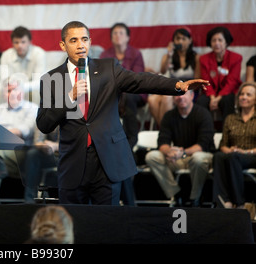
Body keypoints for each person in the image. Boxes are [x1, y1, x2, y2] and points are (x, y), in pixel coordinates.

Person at [36, 21, 210, 205]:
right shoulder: (50, 80)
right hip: (73, 164)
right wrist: (69, 97)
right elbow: (44, 123)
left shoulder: (108, 68)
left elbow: (141, 80)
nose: (80, 45)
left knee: (109, 224)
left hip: (107, 162)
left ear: (89, 41)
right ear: (63, 45)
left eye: (84, 39)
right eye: (74, 40)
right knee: (74, 226)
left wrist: (177, 85)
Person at [99, 22, 146, 205]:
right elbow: (102, 79)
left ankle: (130, 139)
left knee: (130, 95)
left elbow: (137, 79)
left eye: (121, 33)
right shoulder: (105, 55)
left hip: (132, 94)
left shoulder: (136, 54)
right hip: (114, 94)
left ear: (127, 36)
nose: (118, 36)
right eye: (115, 33)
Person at [145, 90, 215, 207]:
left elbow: (203, 145)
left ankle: (195, 198)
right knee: (152, 157)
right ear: (173, 98)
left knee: (198, 158)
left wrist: (181, 152)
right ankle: (176, 194)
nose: (180, 97)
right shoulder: (169, 116)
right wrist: (170, 152)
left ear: (192, 96)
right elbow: (162, 142)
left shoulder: (203, 114)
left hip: (201, 157)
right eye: (177, 95)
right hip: (177, 158)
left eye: (184, 94)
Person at [0, 78, 38, 203]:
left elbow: (24, 131)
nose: (11, 93)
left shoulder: (32, 108)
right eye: (8, 91)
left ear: (22, 92)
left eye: (14, 90)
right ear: (3, 94)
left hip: (23, 155)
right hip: (3, 159)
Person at [213, 82, 256, 209]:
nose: (244, 97)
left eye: (248, 95)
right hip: (234, 155)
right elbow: (223, 145)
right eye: (242, 94)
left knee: (233, 157)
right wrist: (230, 149)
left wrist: (245, 152)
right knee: (218, 156)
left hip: (252, 155)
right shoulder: (230, 118)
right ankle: (223, 201)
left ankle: (239, 203)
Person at [148, 27, 201, 127]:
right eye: (178, 38)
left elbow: (196, 80)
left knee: (166, 98)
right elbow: (163, 71)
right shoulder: (168, 56)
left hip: (186, 89)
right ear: (173, 41)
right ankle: (164, 129)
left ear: (190, 41)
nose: (180, 41)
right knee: (152, 100)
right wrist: (169, 54)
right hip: (170, 87)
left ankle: (165, 130)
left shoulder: (196, 57)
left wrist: (185, 88)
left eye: (183, 39)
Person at [197, 26, 242, 124]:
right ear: (210, 43)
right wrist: (213, 98)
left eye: (220, 40)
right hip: (210, 92)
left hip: (228, 92)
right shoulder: (204, 59)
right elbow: (206, 81)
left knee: (227, 100)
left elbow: (232, 82)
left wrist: (218, 98)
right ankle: (206, 130)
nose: (217, 43)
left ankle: (227, 131)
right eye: (214, 40)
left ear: (226, 42)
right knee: (201, 101)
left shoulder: (236, 58)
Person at [0, 26, 46, 103]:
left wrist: (20, 88)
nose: (19, 46)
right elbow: (4, 80)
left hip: (31, 90)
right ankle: (6, 114)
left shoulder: (39, 53)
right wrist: (15, 89)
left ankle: (36, 113)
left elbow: (38, 82)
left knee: (37, 91)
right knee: (2, 90)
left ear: (30, 42)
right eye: (16, 42)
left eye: (23, 42)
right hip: (12, 90)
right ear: (12, 43)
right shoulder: (6, 55)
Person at [22, 126, 59, 203]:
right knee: (32, 154)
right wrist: (43, 146)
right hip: (47, 154)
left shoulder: (69, 117)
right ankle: (30, 198)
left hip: (64, 155)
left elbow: (71, 143)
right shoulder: (44, 117)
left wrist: (54, 146)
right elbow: (37, 141)